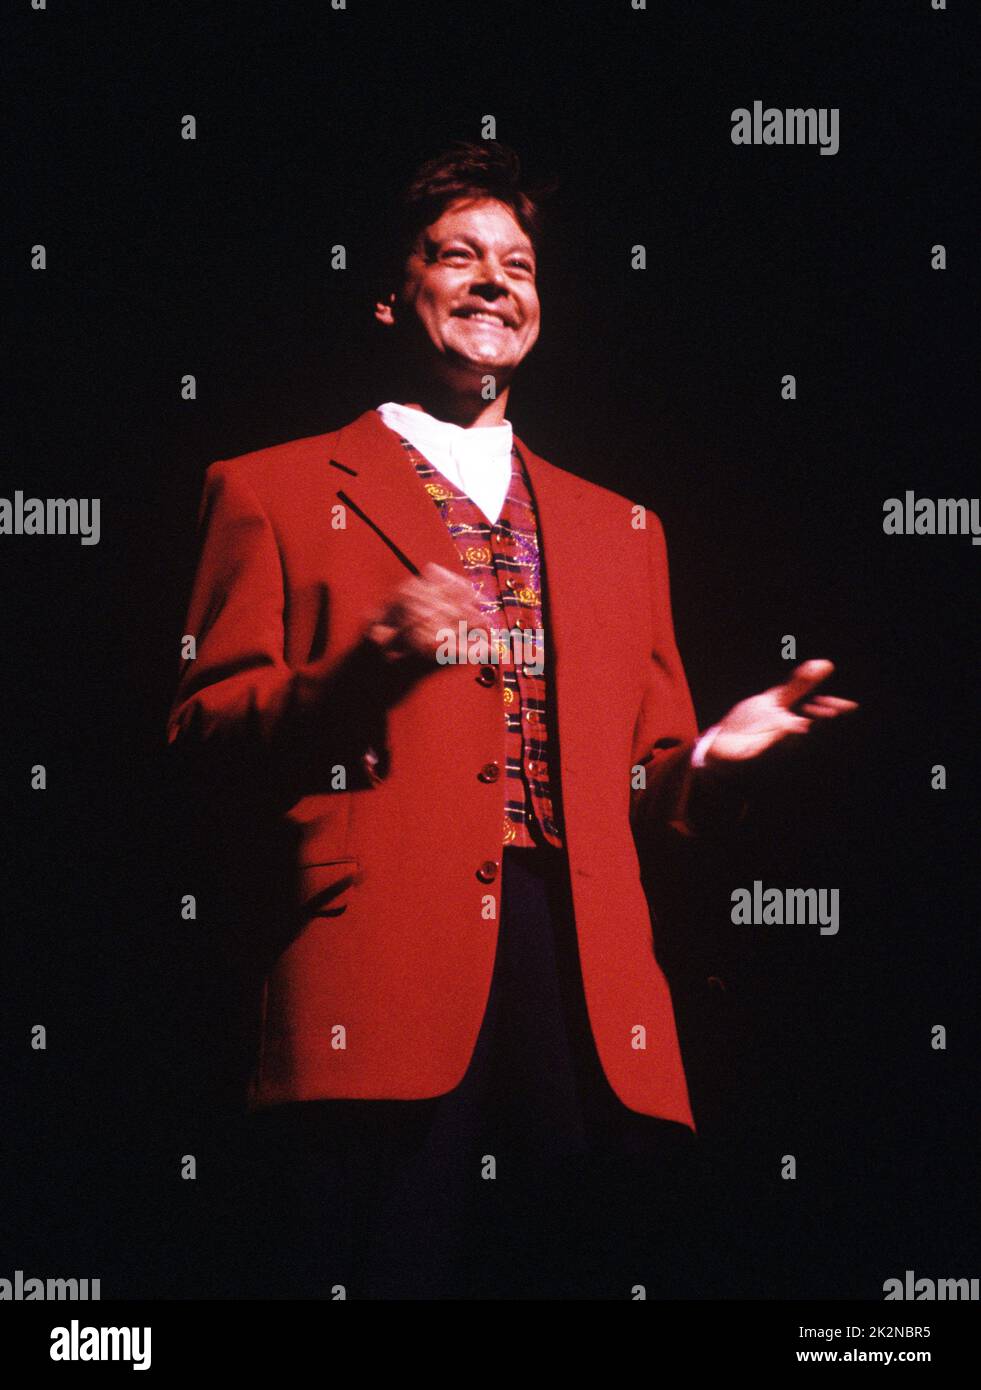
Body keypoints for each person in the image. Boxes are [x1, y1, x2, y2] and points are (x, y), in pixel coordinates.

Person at [166, 140, 858, 1298]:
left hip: (586, 986)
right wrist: (351, 681)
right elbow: (200, 735)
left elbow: (652, 797)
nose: (497, 281)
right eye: (461, 256)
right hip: (376, 971)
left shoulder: (621, 528)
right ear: (395, 294)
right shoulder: (273, 489)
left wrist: (712, 764)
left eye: (521, 264)